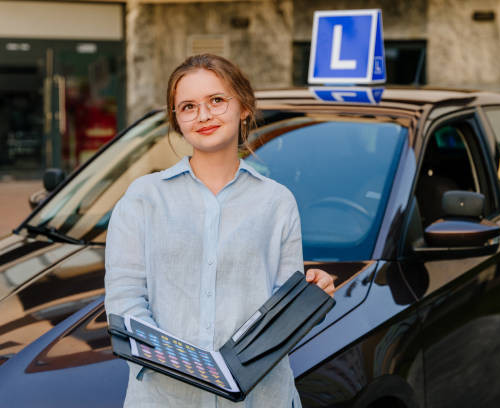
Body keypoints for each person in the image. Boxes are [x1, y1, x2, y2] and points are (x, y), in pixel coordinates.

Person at [104, 53, 335, 408]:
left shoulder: (276, 202)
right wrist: (205, 372)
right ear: (177, 119)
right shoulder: (143, 198)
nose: (204, 116)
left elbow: (278, 319)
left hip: (260, 399)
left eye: (216, 100)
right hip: (166, 400)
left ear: (244, 107)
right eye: (188, 106)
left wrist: (306, 298)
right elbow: (125, 305)